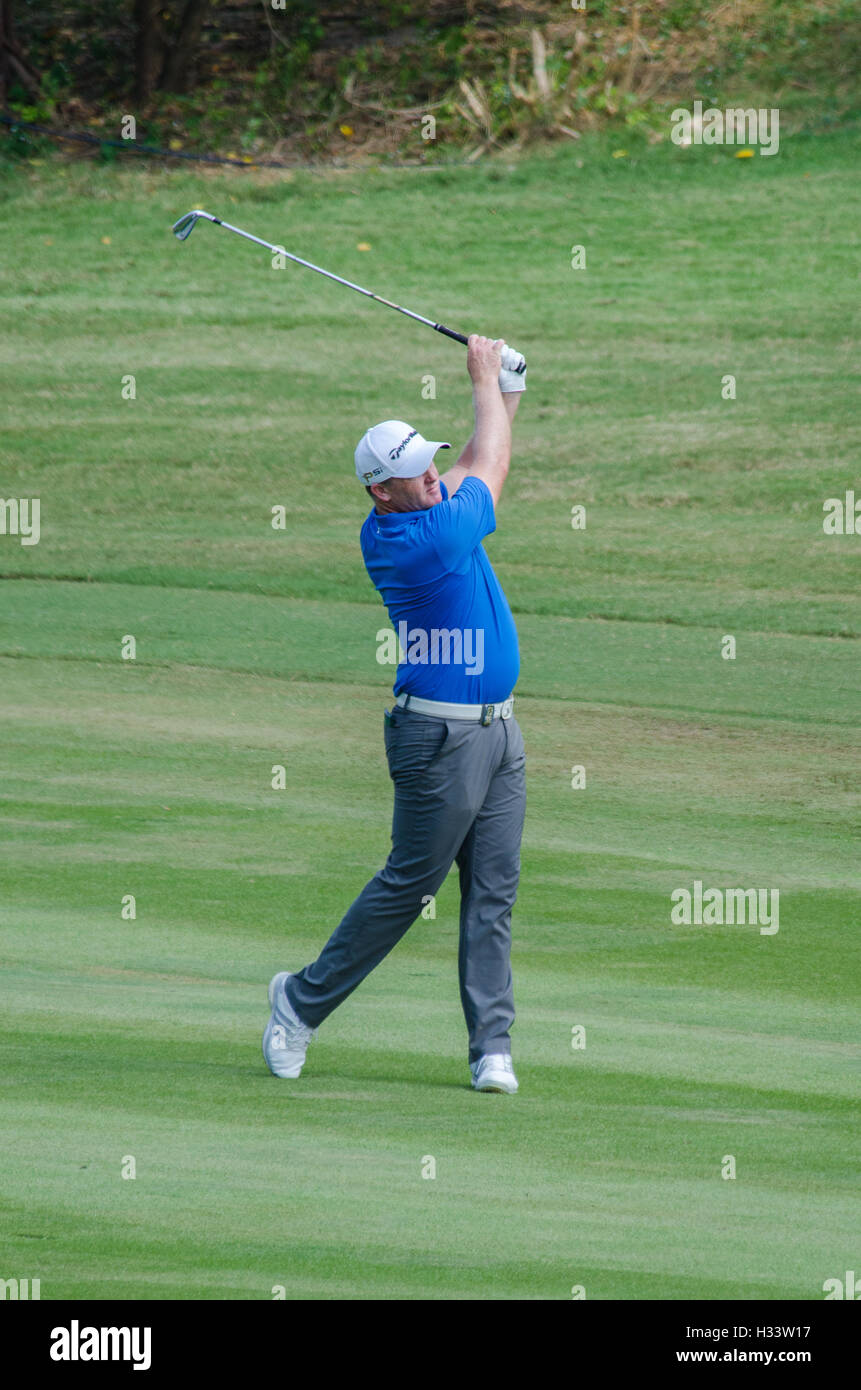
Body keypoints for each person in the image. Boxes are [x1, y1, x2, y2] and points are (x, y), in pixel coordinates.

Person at [263, 334, 527, 1093]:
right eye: (416, 475)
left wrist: (508, 390)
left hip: (499, 730)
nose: (434, 479)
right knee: (410, 887)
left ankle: (490, 1047)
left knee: (493, 888)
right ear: (383, 491)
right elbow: (494, 467)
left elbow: (475, 459)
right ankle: (299, 1003)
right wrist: (483, 378)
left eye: (430, 464)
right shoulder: (415, 540)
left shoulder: (434, 505)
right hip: (436, 736)